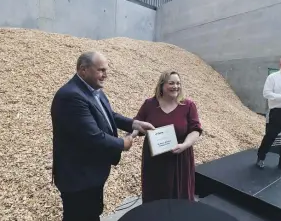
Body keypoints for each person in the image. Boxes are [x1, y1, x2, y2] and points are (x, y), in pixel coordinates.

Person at [51, 51, 154, 221]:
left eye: (106, 70)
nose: (105, 75)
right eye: (101, 70)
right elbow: (93, 136)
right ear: (83, 70)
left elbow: (110, 115)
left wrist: (134, 124)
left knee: (92, 214)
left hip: (90, 174)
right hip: (78, 178)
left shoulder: (92, 90)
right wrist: (123, 143)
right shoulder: (71, 96)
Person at [132, 70, 203, 203]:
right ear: (162, 85)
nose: (175, 86)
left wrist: (185, 145)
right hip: (154, 160)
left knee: (179, 196)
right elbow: (137, 123)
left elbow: (195, 129)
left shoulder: (188, 105)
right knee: (155, 194)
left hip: (179, 158)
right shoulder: (149, 104)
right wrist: (131, 136)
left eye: (178, 83)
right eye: (171, 83)